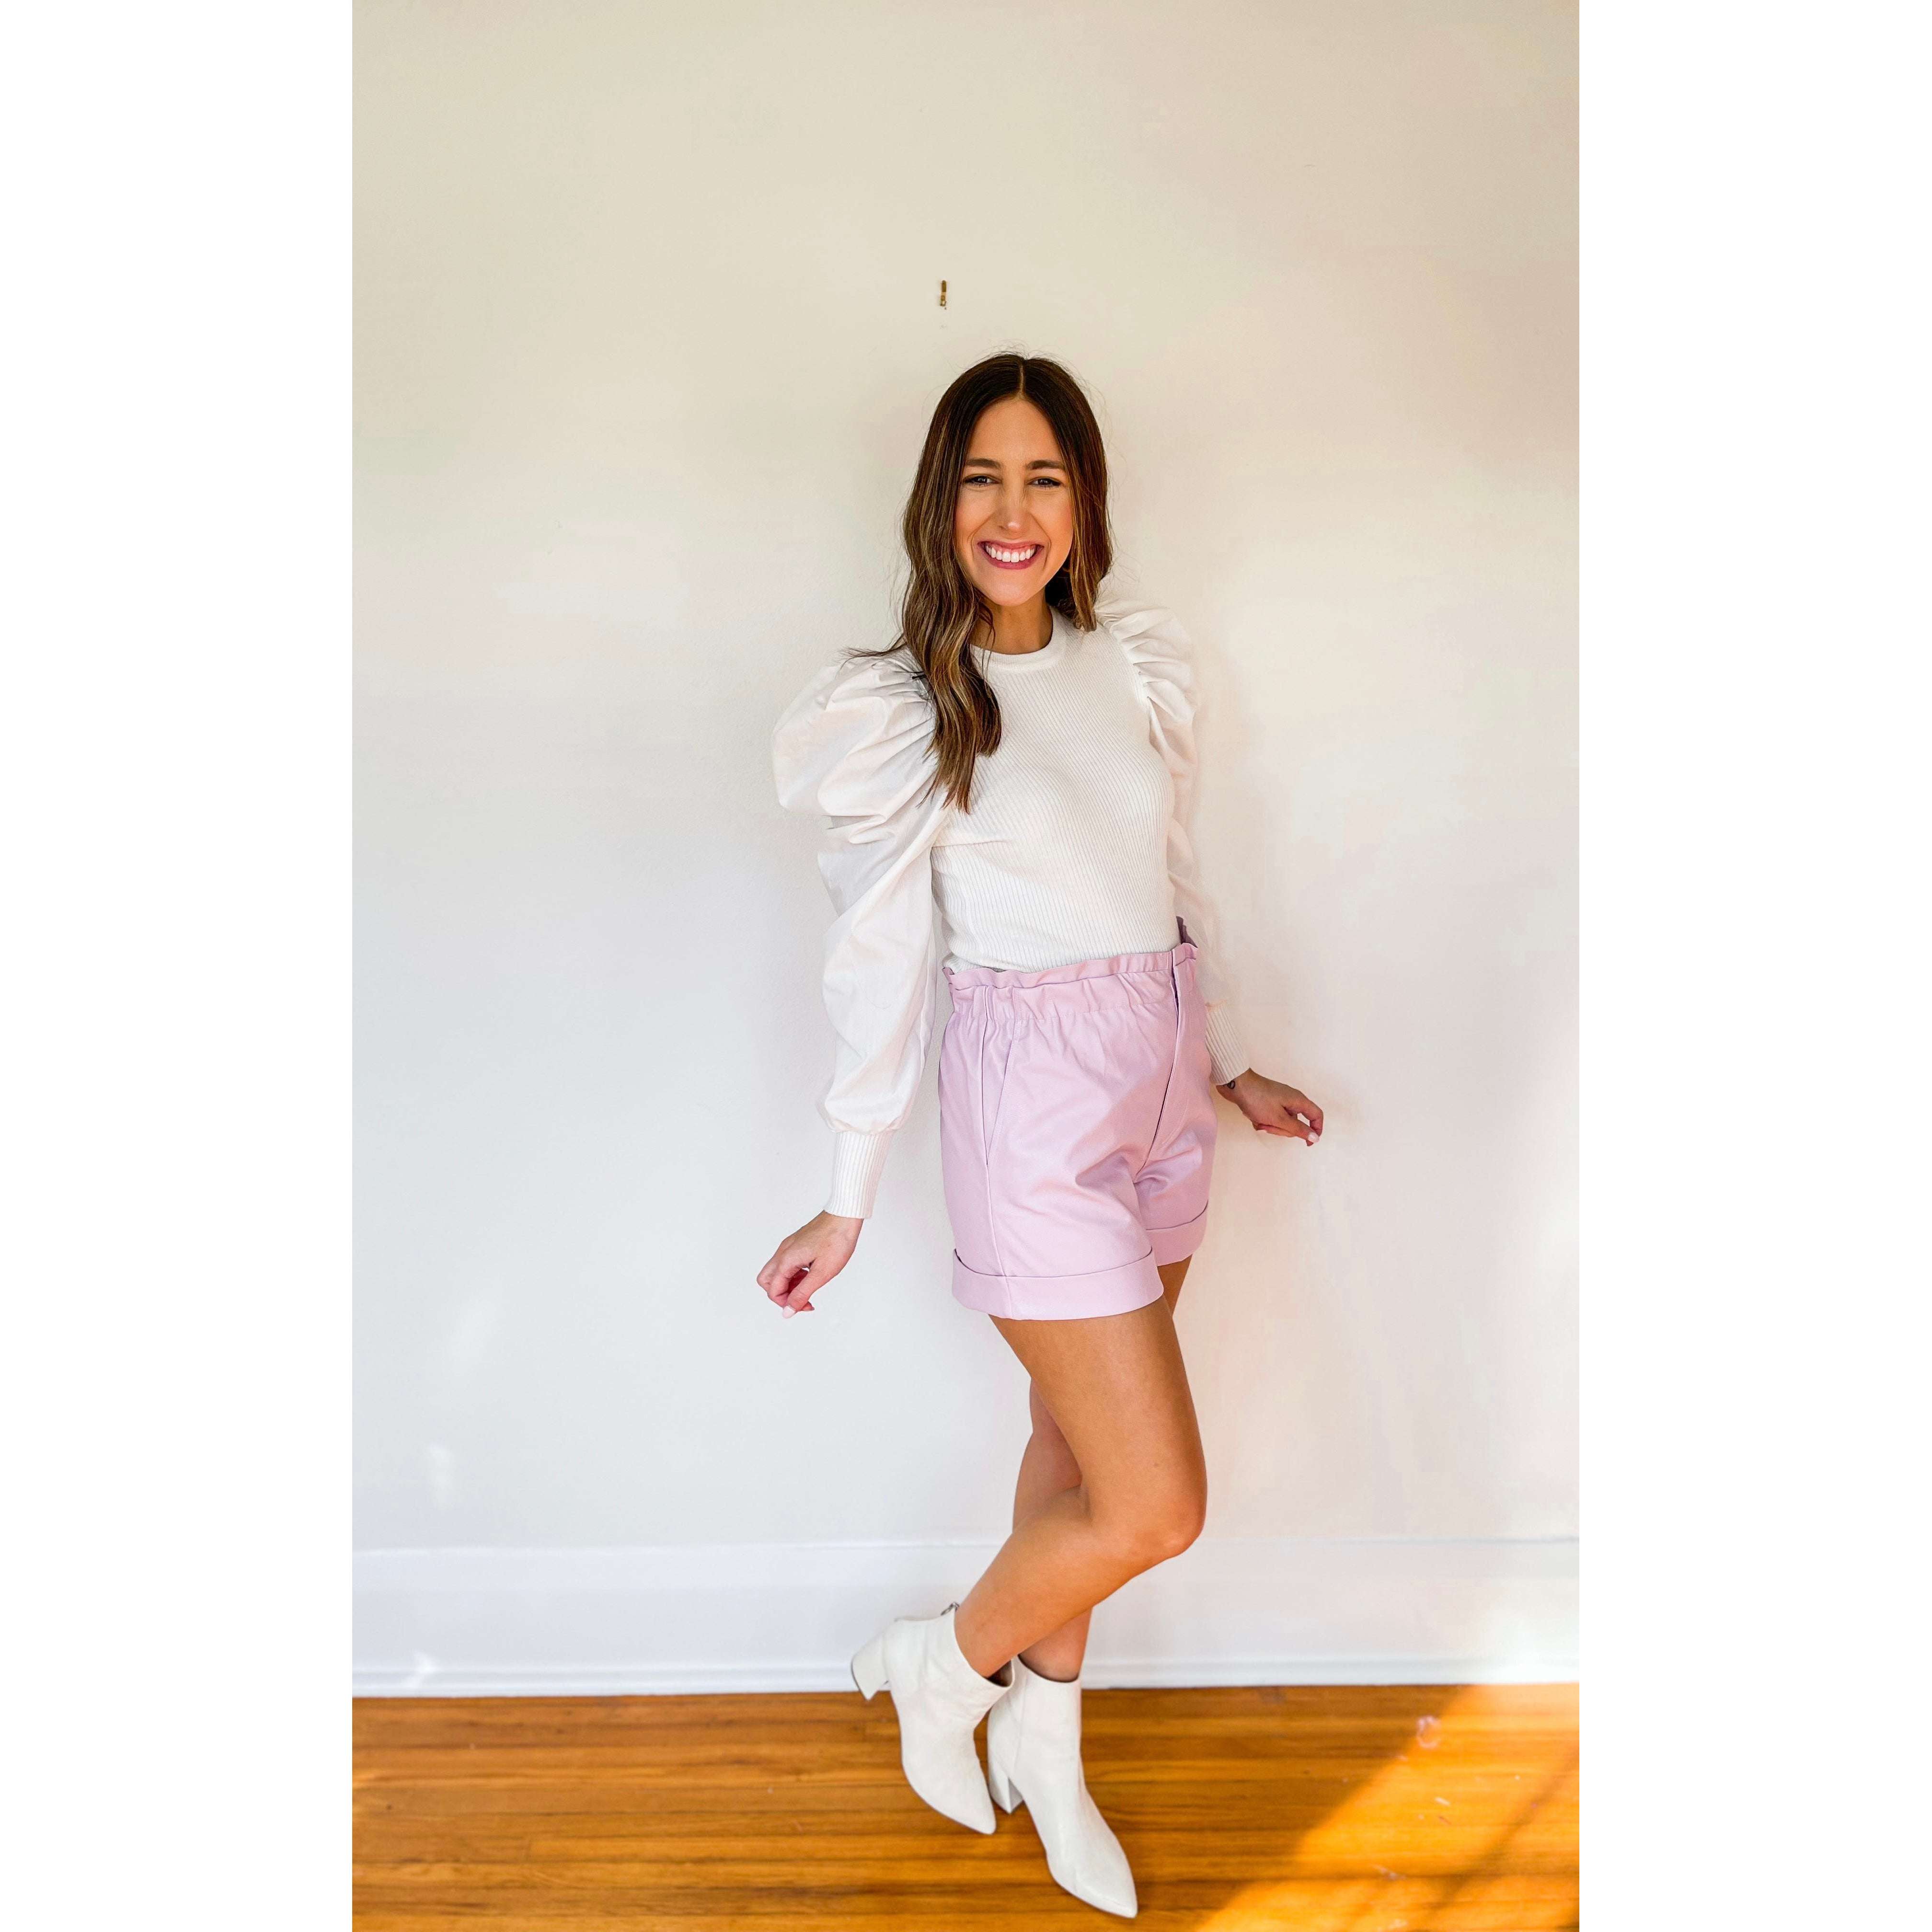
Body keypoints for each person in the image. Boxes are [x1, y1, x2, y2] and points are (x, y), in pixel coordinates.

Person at [758, 352, 1323, 1917]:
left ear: (1086, 502)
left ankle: (1047, 1753)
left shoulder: (1129, 668)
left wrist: (1230, 1065)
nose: (1014, 512)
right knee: (1156, 1506)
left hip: (1163, 1084)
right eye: (983, 478)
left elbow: (1172, 883)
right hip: (1033, 1113)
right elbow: (879, 961)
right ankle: (941, 1668)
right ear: (939, 501)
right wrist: (846, 1194)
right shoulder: (909, 710)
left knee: (1074, 1455)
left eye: (1046, 478)